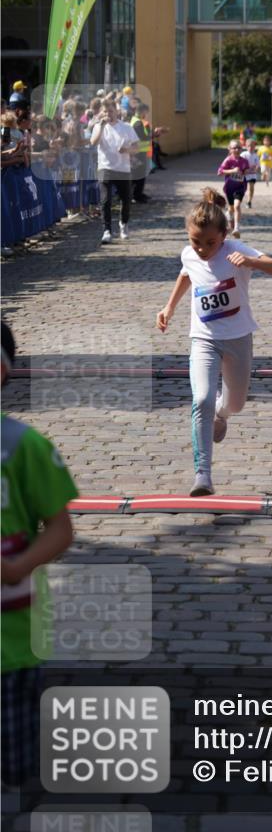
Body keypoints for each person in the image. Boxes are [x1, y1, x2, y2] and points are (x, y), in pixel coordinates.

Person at [156, 188, 272, 496]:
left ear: (224, 235)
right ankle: (203, 474)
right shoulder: (189, 254)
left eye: (210, 243)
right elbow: (186, 274)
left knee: (236, 403)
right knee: (200, 398)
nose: (202, 249)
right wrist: (169, 307)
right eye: (195, 242)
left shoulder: (235, 250)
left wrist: (253, 263)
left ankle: (222, 414)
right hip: (203, 339)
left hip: (238, 337)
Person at [1, 321, 76, 787]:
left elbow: (61, 530)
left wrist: (17, 567)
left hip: (10, 640)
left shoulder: (22, 447)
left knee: (14, 762)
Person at [90, 99, 139, 243]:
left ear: (116, 111)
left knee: (126, 199)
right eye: (105, 111)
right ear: (101, 113)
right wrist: (101, 126)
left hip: (123, 168)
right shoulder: (98, 126)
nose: (108, 114)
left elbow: (137, 147)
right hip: (105, 167)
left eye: (110, 111)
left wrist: (127, 150)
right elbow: (93, 142)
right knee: (105, 200)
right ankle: (107, 231)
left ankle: (123, 223)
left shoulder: (126, 127)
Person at [217, 139, 251, 237]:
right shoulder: (228, 160)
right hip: (229, 188)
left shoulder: (244, 161)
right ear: (230, 149)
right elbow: (219, 172)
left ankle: (236, 228)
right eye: (234, 148)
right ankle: (228, 213)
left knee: (237, 206)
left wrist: (246, 171)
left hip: (240, 187)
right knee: (232, 207)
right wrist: (232, 171)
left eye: (239, 147)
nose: (237, 149)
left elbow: (246, 169)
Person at [241, 138, 260, 209]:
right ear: (246, 146)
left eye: (252, 146)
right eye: (249, 146)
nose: (251, 147)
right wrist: (246, 168)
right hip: (244, 174)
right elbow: (240, 163)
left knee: (251, 187)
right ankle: (240, 199)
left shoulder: (256, 155)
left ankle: (249, 201)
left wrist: (256, 169)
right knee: (243, 188)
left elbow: (258, 165)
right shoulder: (243, 154)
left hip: (252, 175)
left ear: (255, 146)